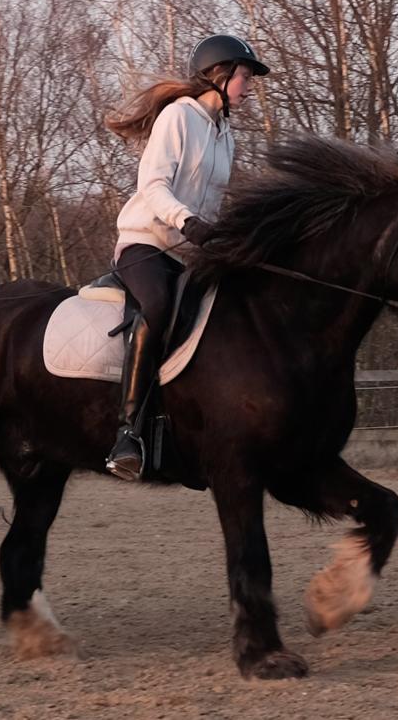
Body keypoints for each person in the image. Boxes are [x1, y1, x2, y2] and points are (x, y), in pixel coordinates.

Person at [102, 34, 270, 481]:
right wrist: (188, 221)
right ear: (219, 75)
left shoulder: (225, 135)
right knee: (156, 308)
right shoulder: (179, 117)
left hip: (189, 254)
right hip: (146, 244)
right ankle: (128, 433)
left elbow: (214, 205)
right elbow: (152, 186)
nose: (249, 84)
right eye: (244, 75)